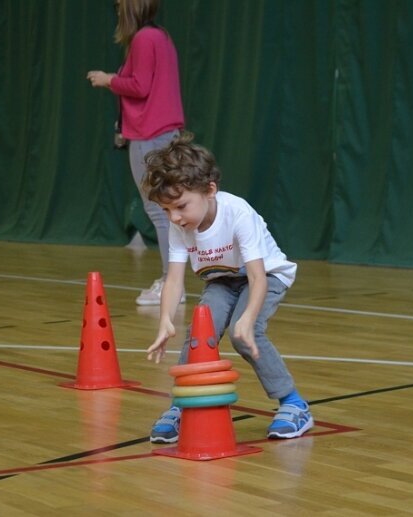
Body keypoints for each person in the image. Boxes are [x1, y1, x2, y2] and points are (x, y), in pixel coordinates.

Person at [141, 132, 313, 443]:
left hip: (266, 276)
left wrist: (246, 319)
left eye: (180, 206)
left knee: (245, 334)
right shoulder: (180, 226)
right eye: (167, 211)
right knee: (198, 336)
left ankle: (294, 404)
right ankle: (181, 408)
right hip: (222, 279)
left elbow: (258, 278)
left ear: (210, 190)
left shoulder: (237, 213)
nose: (174, 218)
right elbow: (174, 278)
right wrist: (166, 319)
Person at [87, 0, 185, 306]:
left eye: (119, 4)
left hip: (150, 135)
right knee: (168, 212)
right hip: (165, 133)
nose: (117, 8)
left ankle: (173, 284)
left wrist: (108, 80)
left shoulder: (144, 38)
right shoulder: (161, 37)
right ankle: (174, 282)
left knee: (160, 211)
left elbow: (140, 86)